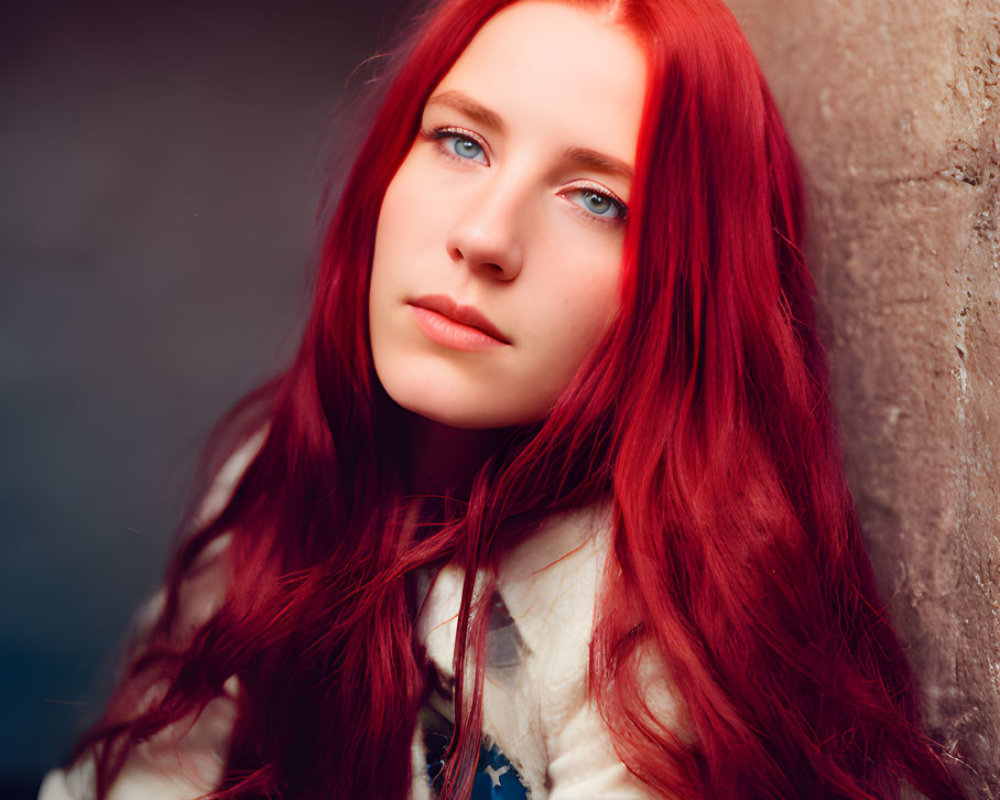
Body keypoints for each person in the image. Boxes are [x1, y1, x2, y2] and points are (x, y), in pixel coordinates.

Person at [40, 0, 969, 798]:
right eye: (461, 141)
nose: (484, 236)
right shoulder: (285, 476)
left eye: (597, 199)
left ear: (681, 291)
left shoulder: (647, 616)